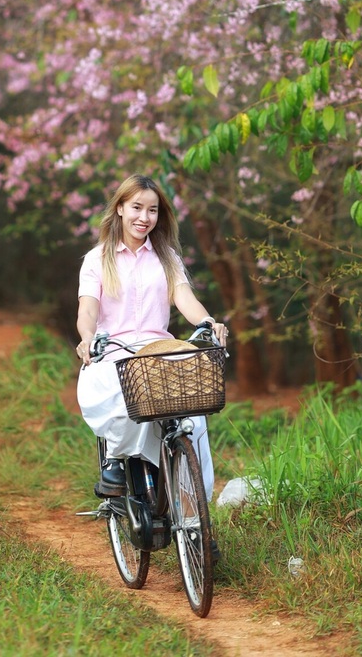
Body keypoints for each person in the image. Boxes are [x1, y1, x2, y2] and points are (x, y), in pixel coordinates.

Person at [75, 174, 228, 498]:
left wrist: (208, 322)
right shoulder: (97, 259)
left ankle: (192, 511)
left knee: (192, 411)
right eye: (137, 207)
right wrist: (87, 338)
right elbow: (87, 309)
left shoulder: (166, 257)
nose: (144, 218)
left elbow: (184, 298)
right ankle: (116, 459)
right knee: (122, 390)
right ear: (119, 208)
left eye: (153, 210)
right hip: (113, 349)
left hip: (159, 348)